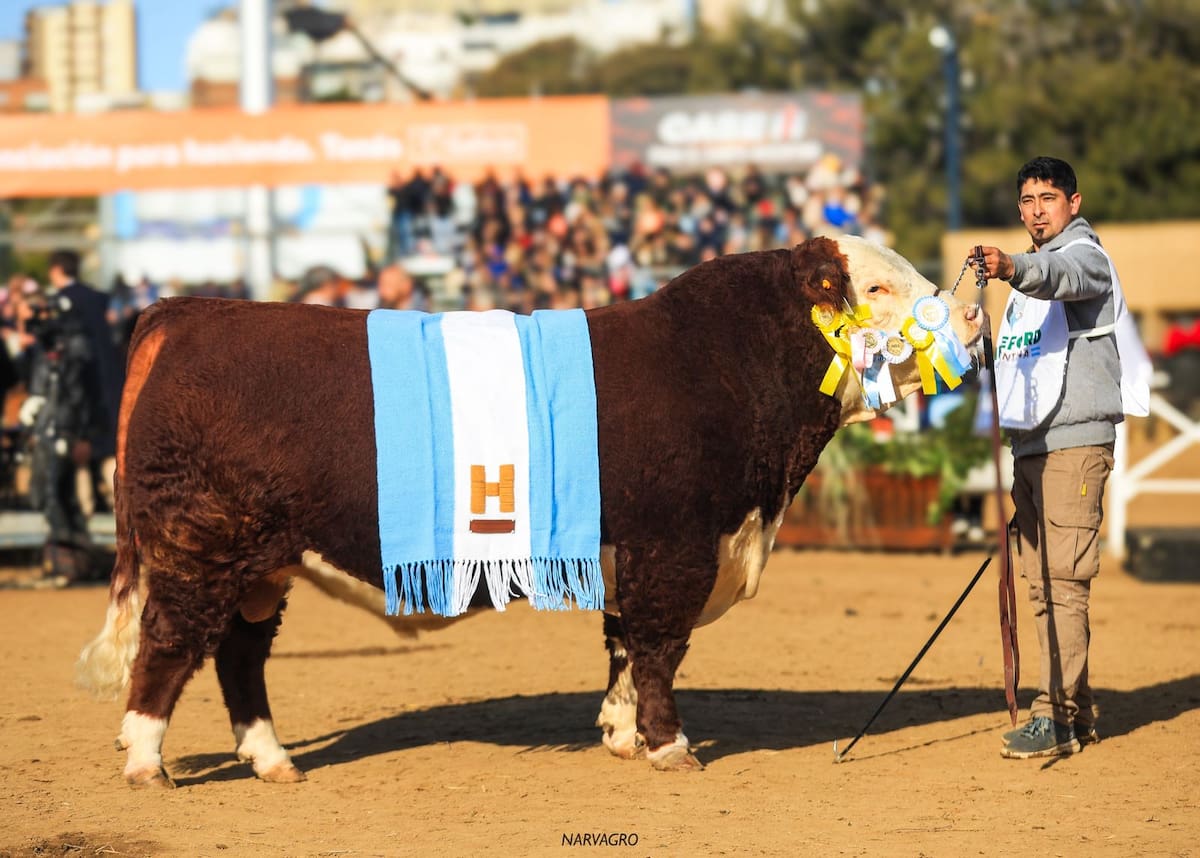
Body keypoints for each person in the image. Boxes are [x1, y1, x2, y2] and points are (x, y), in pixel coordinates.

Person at [975, 156, 1145, 759]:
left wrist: (1012, 265)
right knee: (1043, 586)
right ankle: (1078, 710)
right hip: (1033, 446)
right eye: (1027, 200)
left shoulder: (1085, 255)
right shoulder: (1029, 285)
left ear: (1075, 201)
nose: (1037, 209)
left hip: (1074, 442)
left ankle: (1055, 716)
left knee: (1064, 584)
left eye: (1049, 197)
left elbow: (1064, 276)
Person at [22, 249, 122, 582]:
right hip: (101, 404)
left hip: (70, 416)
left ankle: (73, 557)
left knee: (57, 485)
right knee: (97, 474)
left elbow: (66, 378)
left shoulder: (67, 335)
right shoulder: (96, 303)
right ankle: (79, 552)